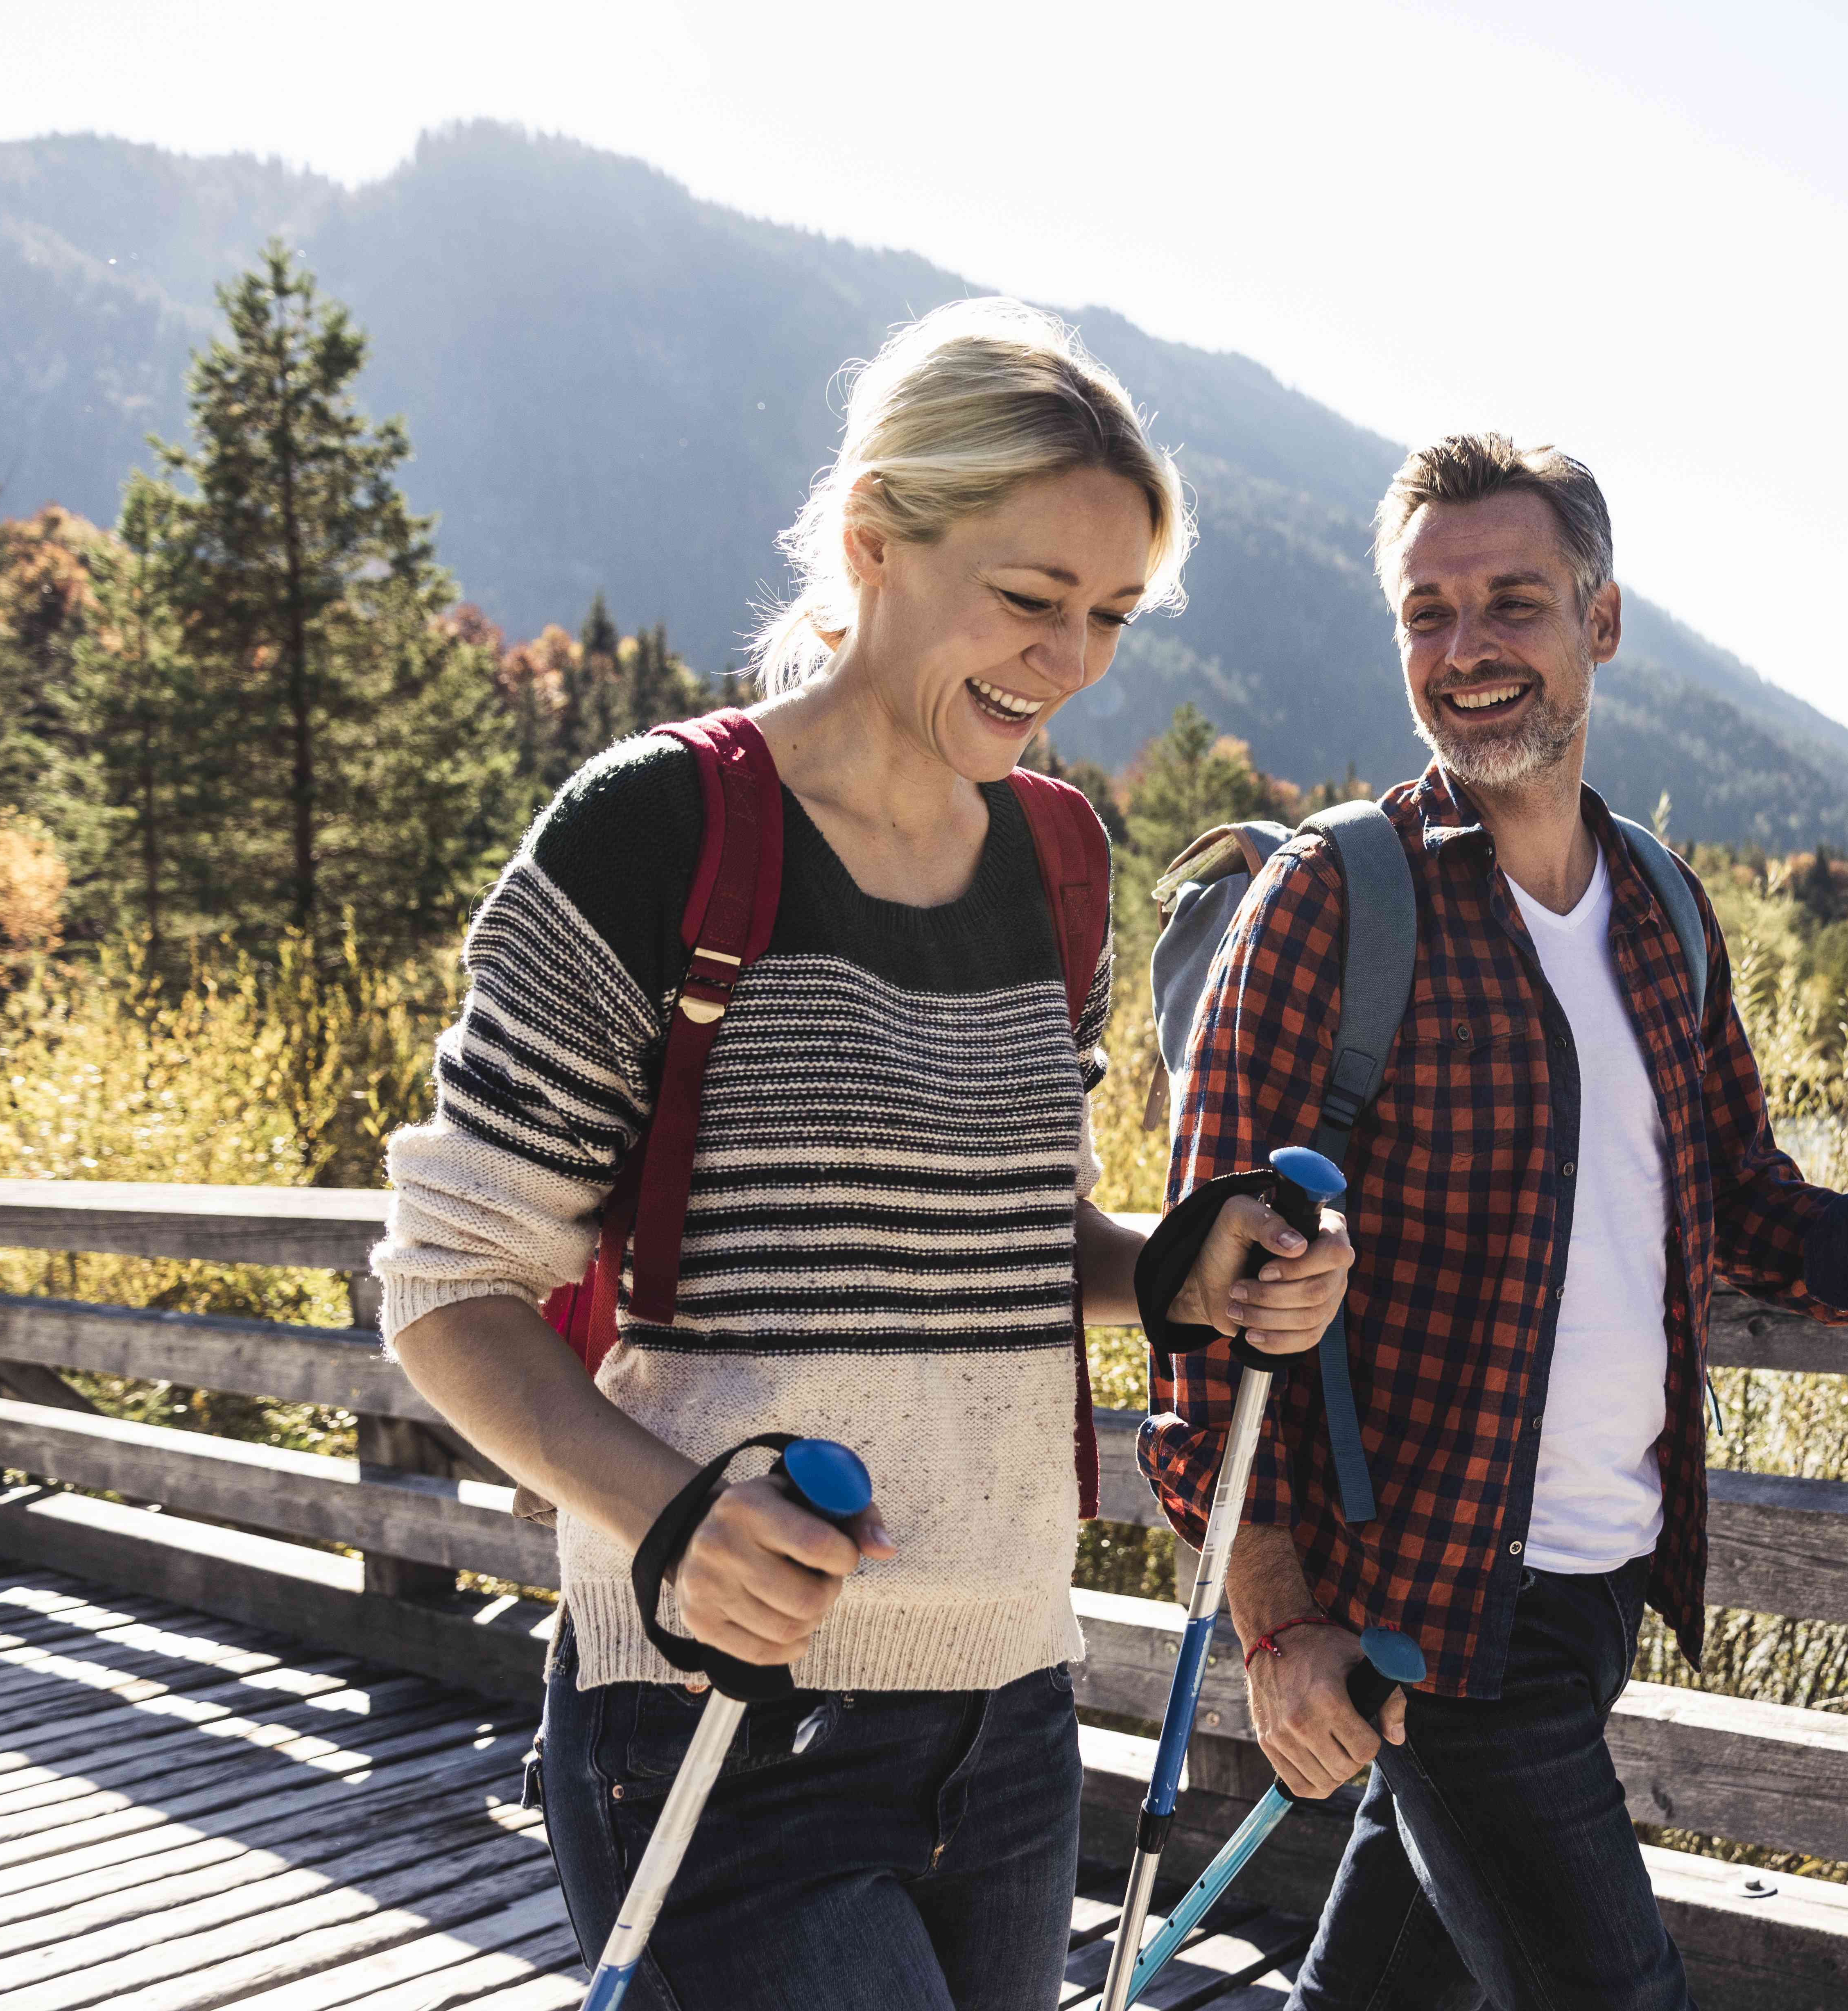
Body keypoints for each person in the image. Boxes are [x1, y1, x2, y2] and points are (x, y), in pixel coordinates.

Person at [372, 298, 1355, 2011]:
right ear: (874, 540)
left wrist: (1182, 1269)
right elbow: (448, 1287)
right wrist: (670, 1523)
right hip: (714, 1713)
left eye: (1111, 617)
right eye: (1032, 599)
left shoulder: (1057, 864)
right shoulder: (656, 827)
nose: (1067, 661)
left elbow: (1019, 1244)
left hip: (1013, 1714)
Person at [1141, 433, 1848, 2011]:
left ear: (1600, 623)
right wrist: (1274, 1620)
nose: (1469, 650)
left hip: (1598, 1587)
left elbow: (1739, 1201)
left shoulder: (1661, 911)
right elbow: (1208, 1307)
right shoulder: (1333, 904)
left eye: (1514, 603)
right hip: (1426, 1613)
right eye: (1429, 613)